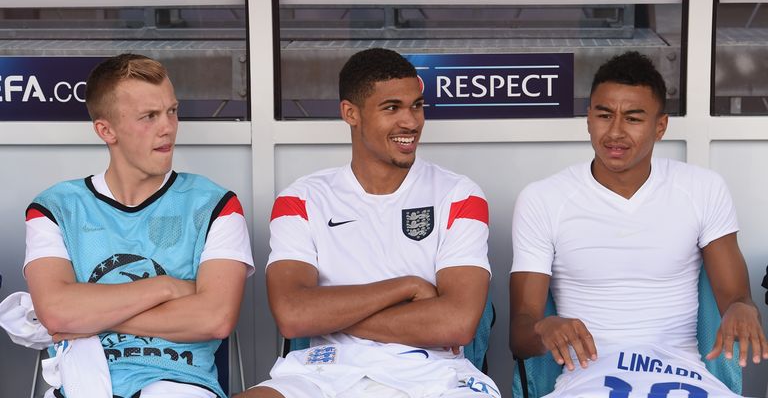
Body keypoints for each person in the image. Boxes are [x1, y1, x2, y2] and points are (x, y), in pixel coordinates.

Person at [238, 48, 499, 398]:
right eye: (392, 108)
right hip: (323, 369)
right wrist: (405, 287)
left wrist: (332, 315)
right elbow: (292, 315)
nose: (411, 122)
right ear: (351, 113)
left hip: (431, 371)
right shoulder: (301, 199)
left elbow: (456, 323)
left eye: (417, 106)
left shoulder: (459, 195)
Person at [509, 51, 768, 397]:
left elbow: (736, 298)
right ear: (588, 119)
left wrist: (742, 310)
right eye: (604, 115)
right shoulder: (543, 198)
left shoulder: (701, 188)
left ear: (660, 127)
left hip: (683, 373)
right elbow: (520, 333)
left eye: (633, 118)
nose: (615, 132)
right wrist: (546, 329)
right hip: (586, 378)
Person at [24, 54, 254, 398]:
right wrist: (167, 288)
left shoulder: (214, 204)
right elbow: (56, 313)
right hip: (85, 384)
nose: (168, 128)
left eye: (172, 111)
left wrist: (90, 315)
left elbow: (215, 318)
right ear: (106, 130)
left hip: (180, 386)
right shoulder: (56, 207)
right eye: (149, 116)